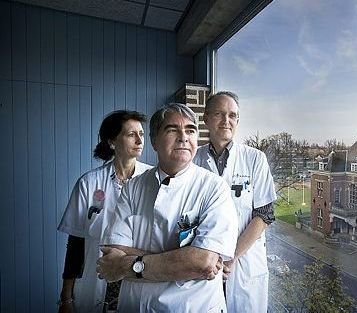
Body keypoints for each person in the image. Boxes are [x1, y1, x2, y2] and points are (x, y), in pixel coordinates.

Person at [97, 103, 238, 312]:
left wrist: (131, 264)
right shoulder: (134, 186)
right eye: (172, 130)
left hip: (194, 307)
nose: (183, 137)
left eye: (190, 130)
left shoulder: (215, 188)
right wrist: (186, 260)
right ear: (154, 141)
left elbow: (203, 263)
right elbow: (112, 255)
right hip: (136, 306)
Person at [57, 110, 153, 313]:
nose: (139, 140)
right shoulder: (89, 183)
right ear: (112, 142)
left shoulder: (152, 180)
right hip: (95, 282)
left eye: (141, 134)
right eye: (131, 134)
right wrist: (66, 297)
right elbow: (76, 243)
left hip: (140, 281)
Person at [193, 91, 277, 313]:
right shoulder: (193, 159)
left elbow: (265, 214)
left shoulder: (255, 159)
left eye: (232, 115)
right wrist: (209, 259)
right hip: (202, 262)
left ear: (238, 121)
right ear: (206, 118)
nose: (226, 121)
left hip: (243, 264)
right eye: (219, 114)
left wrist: (230, 259)